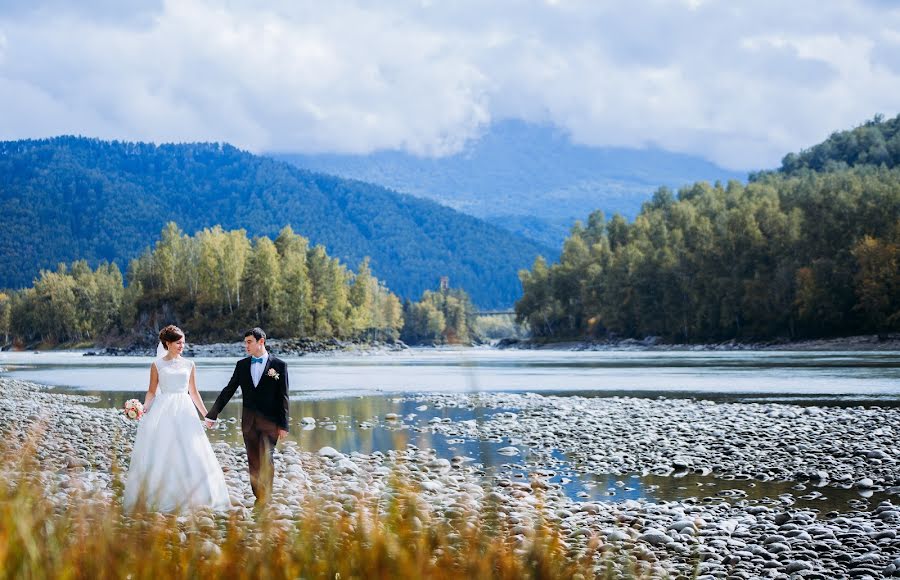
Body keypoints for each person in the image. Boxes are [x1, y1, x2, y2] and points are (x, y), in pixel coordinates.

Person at [124, 325, 230, 512]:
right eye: (178, 342)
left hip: (185, 410)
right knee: (164, 451)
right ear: (168, 343)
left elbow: (194, 392)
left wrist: (207, 414)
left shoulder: (189, 365)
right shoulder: (157, 365)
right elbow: (151, 391)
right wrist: (143, 408)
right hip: (163, 409)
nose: (182, 345)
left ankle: (197, 496)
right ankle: (160, 495)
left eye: (183, 342)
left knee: (191, 450)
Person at [205, 327, 289, 505]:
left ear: (261, 342)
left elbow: (283, 397)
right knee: (253, 461)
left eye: (249, 342)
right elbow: (229, 390)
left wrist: (283, 425)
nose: (246, 346)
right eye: (245, 342)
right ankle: (259, 495)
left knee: (267, 457)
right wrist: (213, 414)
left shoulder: (279, 366)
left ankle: (267, 496)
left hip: (271, 423)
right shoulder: (242, 365)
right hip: (249, 423)